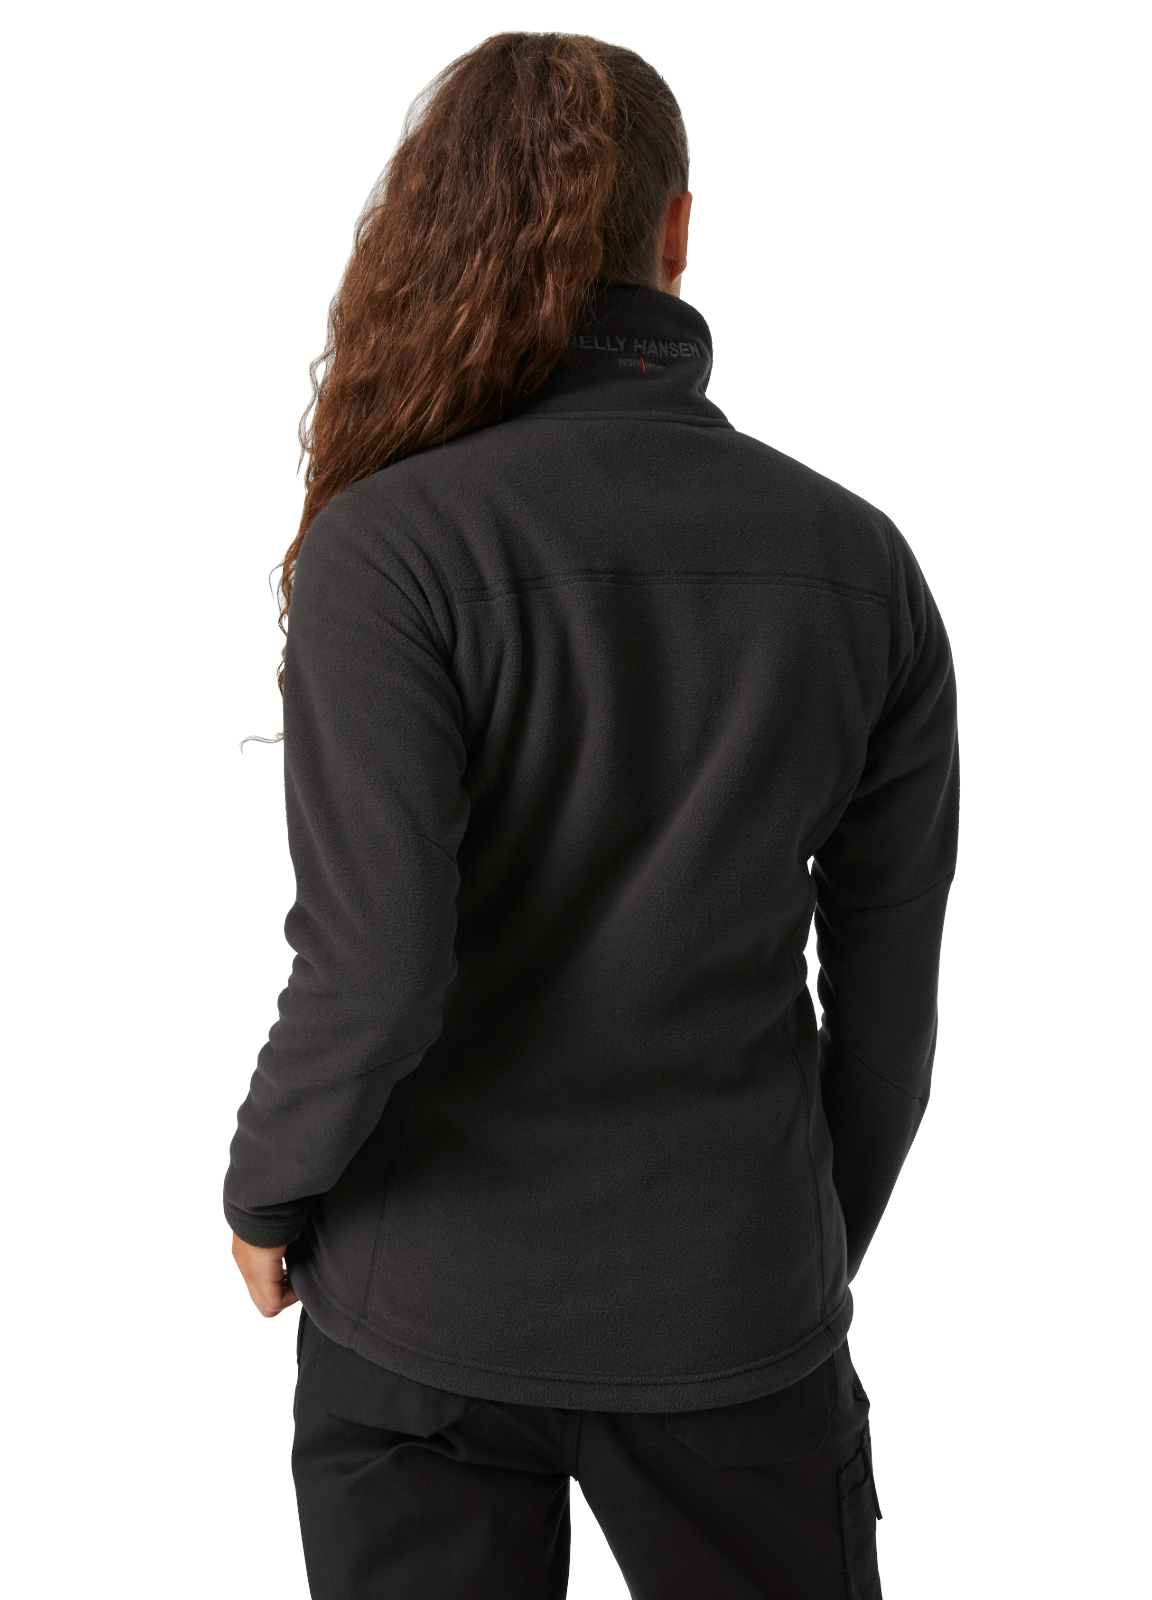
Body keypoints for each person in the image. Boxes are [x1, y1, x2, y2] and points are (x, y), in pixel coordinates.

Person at [225, 30, 957, 1599]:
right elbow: (891, 1013)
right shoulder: (864, 561)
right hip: (736, 1304)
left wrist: (266, 1186)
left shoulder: (385, 549)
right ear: (679, 234)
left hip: (423, 1311)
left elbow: (373, 970)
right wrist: (786, 1260)